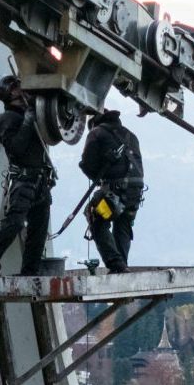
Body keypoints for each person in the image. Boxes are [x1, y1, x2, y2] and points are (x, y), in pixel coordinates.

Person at [0, 75, 57, 279]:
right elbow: (16, 149)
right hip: (24, 182)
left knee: (39, 230)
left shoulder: (27, 116)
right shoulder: (9, 119)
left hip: (38, 180)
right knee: (14, 223)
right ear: (9, 93)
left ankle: (30, 271)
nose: (21, 89)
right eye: (16, 87)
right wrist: (29, 121)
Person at [80, 107, 144, 273]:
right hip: (135, 192)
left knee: (95, 217)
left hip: (114, 191)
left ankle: (116, 264)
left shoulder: (96, 134)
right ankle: (121, 267)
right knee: (123, 224)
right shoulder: (131, 136)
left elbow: (88, 165)